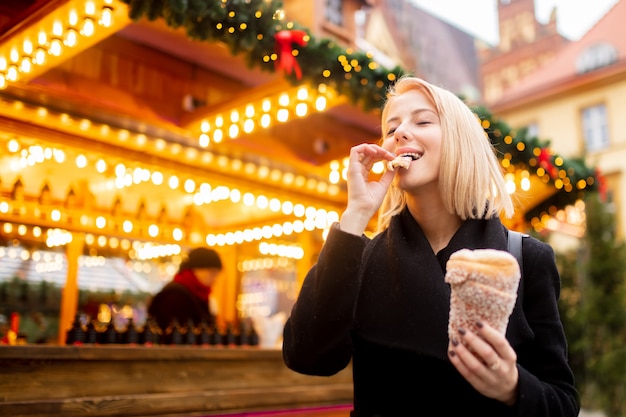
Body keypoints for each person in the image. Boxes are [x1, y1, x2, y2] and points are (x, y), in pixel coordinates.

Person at [282, 76, 580, 416]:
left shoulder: (525, 258)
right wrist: (356, 214)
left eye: (422, 120)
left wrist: (513, 387)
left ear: (461, 142)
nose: (399, 133)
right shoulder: (361, 260)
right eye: (391, 127)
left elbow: (563, 403)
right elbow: (306, 356)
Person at [148, 247, 222, 332]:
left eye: (217, 274)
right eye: (212, 273)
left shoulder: (201, 295)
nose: (215, 279)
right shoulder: (174, 295)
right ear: (195, 269)